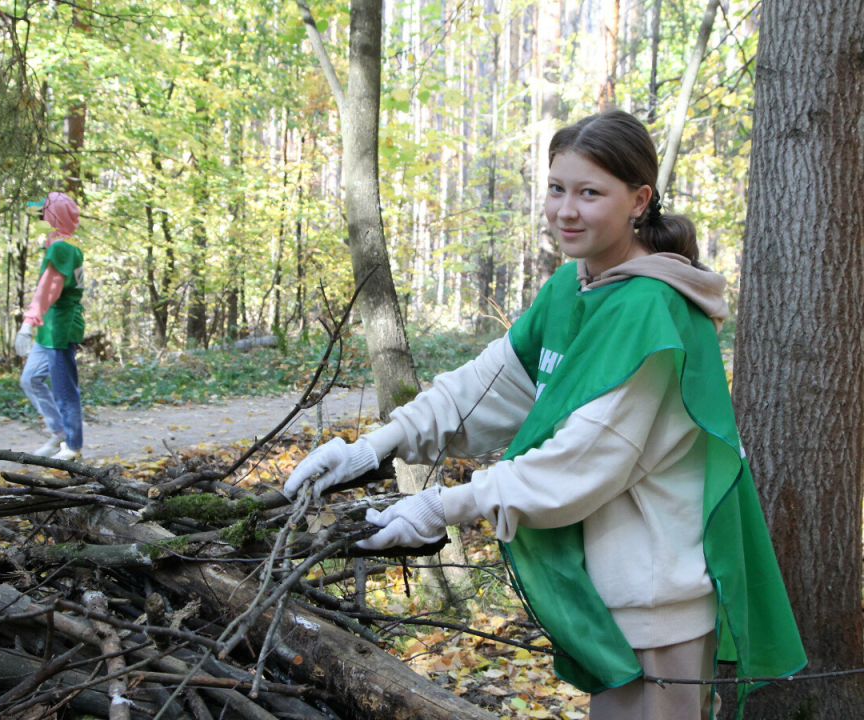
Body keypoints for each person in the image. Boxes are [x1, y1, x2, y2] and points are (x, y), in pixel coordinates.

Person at [286, 110, 806, 718]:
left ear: (639, 200)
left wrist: (439, 507)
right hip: (605, 590)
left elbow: (581, 461)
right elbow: (483, 389)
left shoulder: (653, 310)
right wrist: (371, 448)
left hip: (662, 595)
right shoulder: (571, 288)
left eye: (590, 193)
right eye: (557, 188)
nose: (566, 210)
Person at [15, 192, 85, 461]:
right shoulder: (57, 245)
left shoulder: (63, 248)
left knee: (65, 389)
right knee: (30, 379)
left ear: (54, 216)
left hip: (61, 327)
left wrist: (28, 322)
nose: (40, 217)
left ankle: (73, 446)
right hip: (49, 327)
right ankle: (59, 433)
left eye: (44, 213)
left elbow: (49, 289)